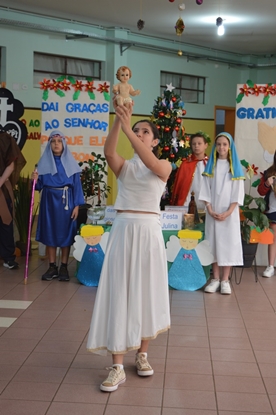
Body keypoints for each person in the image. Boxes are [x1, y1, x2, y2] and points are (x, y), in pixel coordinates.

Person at [86, 103, 172, 392]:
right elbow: (110, 153)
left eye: (145, 131)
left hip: (148, 232)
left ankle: (143, 355)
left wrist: (127, 127)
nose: (139, 134)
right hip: (124, 230)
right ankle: (117, 366)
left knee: (146, 291)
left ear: (155, 140)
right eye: (137, 130)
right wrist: (118, 122)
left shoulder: (163, 167)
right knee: (119, 292)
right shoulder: (125, 167)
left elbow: (149, 162)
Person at [31, 130, 84, 281]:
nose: (56, 144)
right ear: (49, 144)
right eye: (53, 142)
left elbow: (77, 186)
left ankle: (64, 267)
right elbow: (38, 186)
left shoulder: (71, 164)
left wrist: (76, 206)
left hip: (66, 202)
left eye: (59, 141)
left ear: (64, 144)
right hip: (48, 202)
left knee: (65, 234)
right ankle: (52, 266)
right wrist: (34, 179)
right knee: (50, 233)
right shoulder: (43, 163)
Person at [199, 132, 245, 295]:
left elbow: (237, 194)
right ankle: (215, 279)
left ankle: (225, 280)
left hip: (229, 215)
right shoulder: (211, 166)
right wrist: (210, 209)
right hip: (213, 213)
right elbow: (205, 190)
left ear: (230, 147)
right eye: (218, 144)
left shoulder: (235, 168)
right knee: (213, 244)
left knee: (228, 244)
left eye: (225, 144)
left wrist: (228, 212)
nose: (221, 147)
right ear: (215, 147)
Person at [0, 131, 26, 269]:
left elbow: (11, 165)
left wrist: (0, 181)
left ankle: (8, 257)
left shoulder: (5, 138)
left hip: (1, 187)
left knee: (5, 222)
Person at [171, 132, 209, 211]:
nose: (196, 146)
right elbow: (180, 185)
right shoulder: (185, 164)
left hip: (207, 204)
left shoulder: (211, 164)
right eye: (194, 144)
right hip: (187, 202)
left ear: (206, 145)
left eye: (199, 143)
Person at [257, 151, 276, 277]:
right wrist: (267, 184)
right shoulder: (269, 172)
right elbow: (260, 191)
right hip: (273, 209)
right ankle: (270, 266)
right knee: (273, 238)